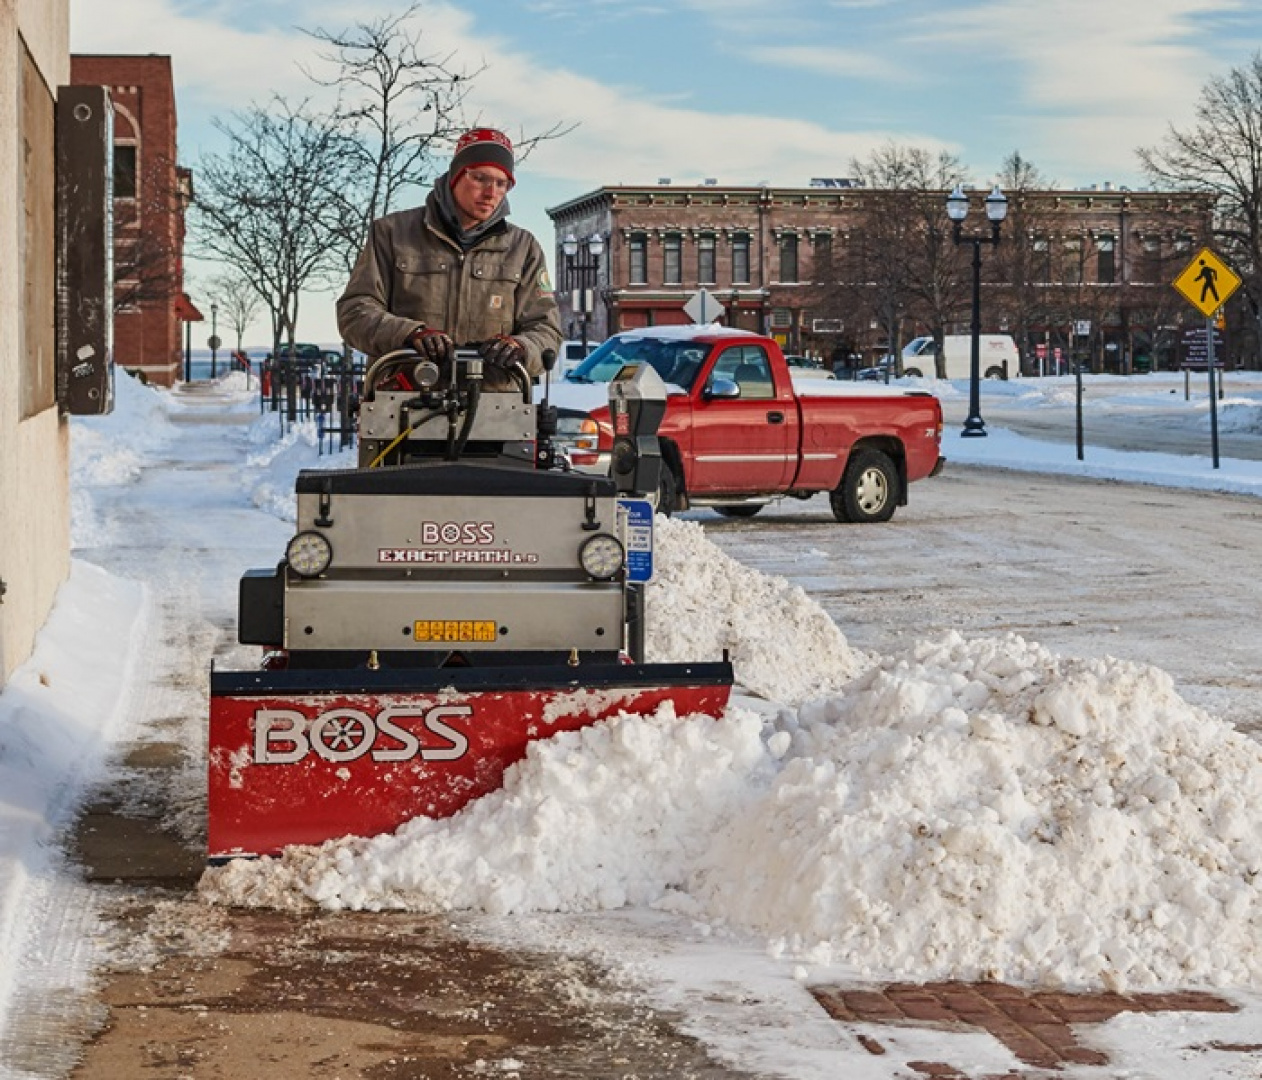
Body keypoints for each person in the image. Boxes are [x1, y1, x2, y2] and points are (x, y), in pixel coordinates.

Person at [336, 127, 562, 391]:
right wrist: (409, 334)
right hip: (405, 399)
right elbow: (355, 312)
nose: (491, 193)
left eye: (502, 184)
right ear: (456, 176)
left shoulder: (523, 248)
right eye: (480, 179)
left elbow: (547, 329)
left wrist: (521, 347)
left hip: (494, 408)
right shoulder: (392, 233)